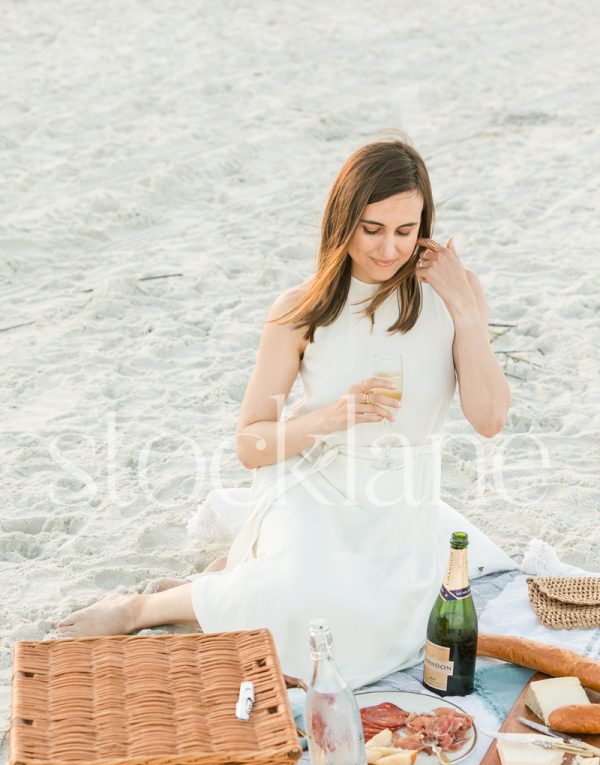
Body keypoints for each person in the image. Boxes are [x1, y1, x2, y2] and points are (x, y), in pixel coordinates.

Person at [58, 135, 511, 688]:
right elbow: (250, 444)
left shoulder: (454, 297)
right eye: (371, 229)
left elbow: (489, 419)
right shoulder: (300, 311)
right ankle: (140, 610)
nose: (389, 249)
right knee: (300, 597)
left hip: (403, 495)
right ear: (342, 221)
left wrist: (465, 309)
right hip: (316, 481)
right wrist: (330, 418)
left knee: (378, 626)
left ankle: (238, 572)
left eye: (405, 230)